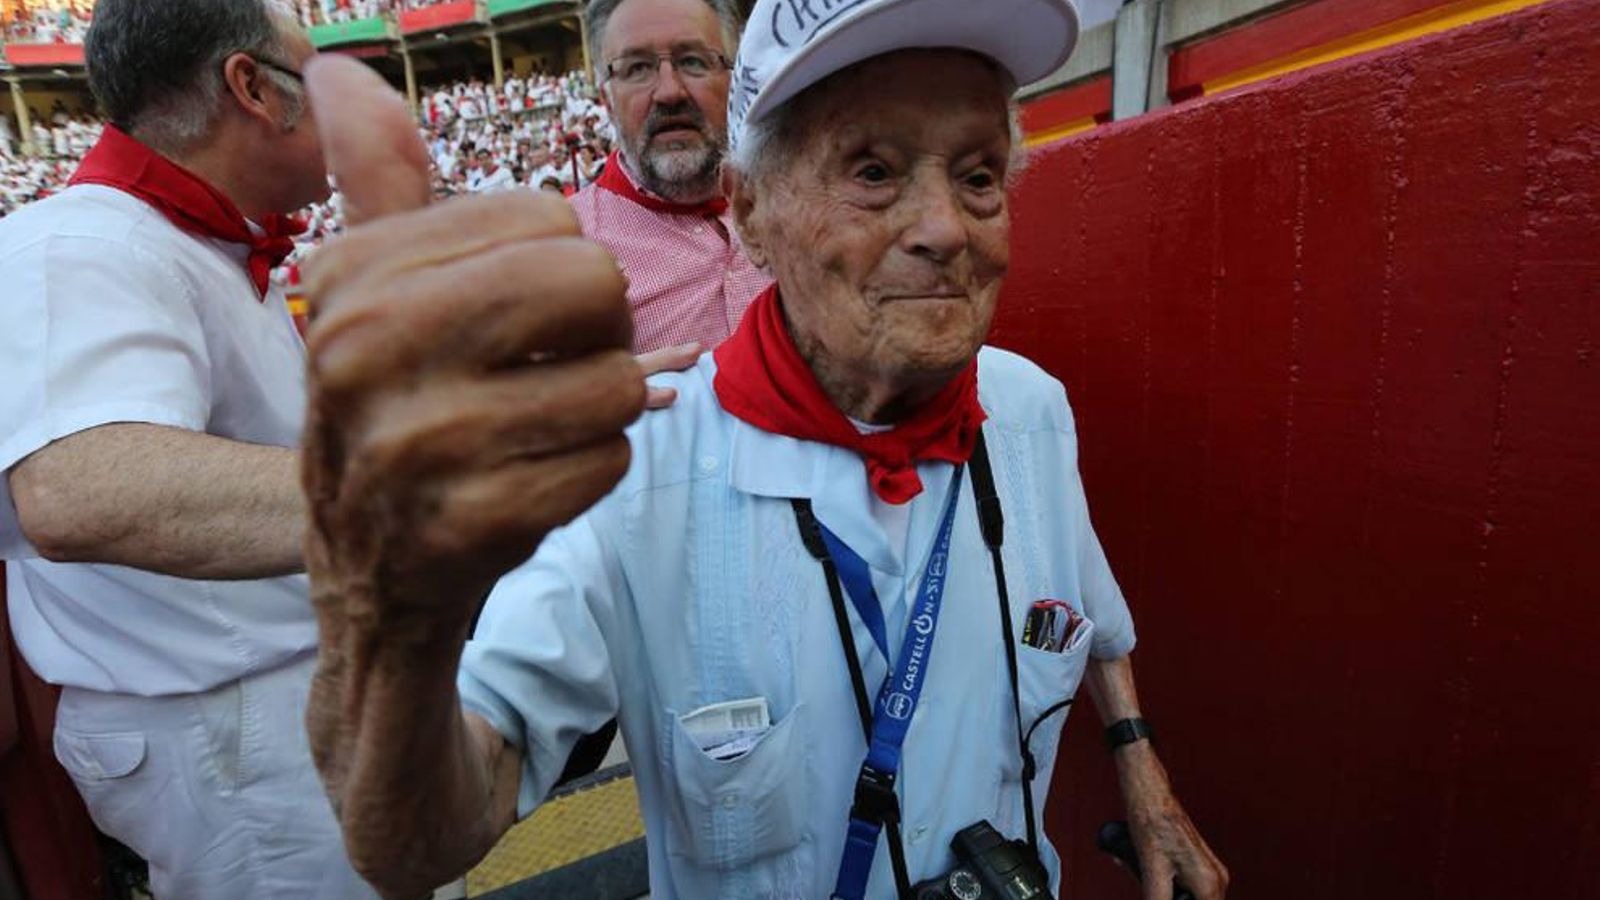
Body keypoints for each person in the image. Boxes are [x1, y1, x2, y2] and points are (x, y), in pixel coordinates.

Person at [297, 0, 1232, 898]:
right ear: (749, 216)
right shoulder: (633, 471)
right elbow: (416, 845)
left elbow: (1087, 623)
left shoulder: (1033, 411)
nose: (946, 227)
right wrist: (387, 621)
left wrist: (1141, 766)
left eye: (980, 175)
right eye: (872, 171)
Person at [0, 2, 380, 898]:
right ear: (252, 88)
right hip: (234, 734)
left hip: (259, 716)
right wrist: (428, 479)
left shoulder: (181, 244)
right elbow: (80, 489)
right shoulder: (77, 244)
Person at [573, 0, 770, 354]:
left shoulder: (797, 203)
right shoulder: (569, 247)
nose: (669, 92)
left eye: (693, 61)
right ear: (607, 100)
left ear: (735, 80)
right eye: (636, 69)